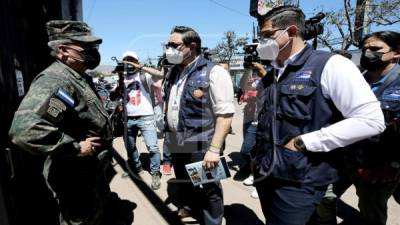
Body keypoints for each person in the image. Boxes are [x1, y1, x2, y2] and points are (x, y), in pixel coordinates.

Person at [251, 6, 385, 225]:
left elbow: (371, 120)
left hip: (300, 180)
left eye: (267, 36)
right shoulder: (272, 73)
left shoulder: (331, 65)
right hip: (267, 173)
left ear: (292, 32)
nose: (261, 43)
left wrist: (304, 142)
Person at [8, 20, 134, 225]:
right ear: (62, 50)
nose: (92, 52)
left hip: (91, 174)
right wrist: (75, 147)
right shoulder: (56, 80)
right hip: (75, 178)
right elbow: (24, 130)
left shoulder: (77, 76)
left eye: (94, 47)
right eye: (85, 47)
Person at [311, 31, 400, 225]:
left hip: (380, 165)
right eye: (365, 49)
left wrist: (393, 164)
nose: (368, 53)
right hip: (344, 157)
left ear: (396, 53)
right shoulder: (354, 78)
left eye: (375, 49)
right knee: (324, 199)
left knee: (371, 213)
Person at [163, 26, 234, 225]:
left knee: (209, 186)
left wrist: (214, 149)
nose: (169, 49)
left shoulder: (214, 72)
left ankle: (212, 220)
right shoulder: (173, 72)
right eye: (167, 44)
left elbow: (225, 114)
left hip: (202, 143)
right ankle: (189, 206)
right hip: (177, 139)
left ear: (192, 46)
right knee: (185, 181)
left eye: (174, 45)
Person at [120, 51, 162, 190]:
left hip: (146, 117)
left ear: (137, 61)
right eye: (126, 60)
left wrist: (140, 66)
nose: (128, 62)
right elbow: (116, 95)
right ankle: (137, 167)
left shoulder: (145, 75)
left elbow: (159, 74)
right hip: (128, 118)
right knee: (130, 147)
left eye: (131, 60)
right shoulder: (122, 77)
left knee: (152, 147)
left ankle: (155, 173)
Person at [237, 62, 268, 199]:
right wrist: (248, 69)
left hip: (262, 119)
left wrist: (263, 73)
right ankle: (251, 172)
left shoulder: (270, 75)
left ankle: (258, 181)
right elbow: (244, 86)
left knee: (253, 150)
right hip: (248, 117)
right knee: (249, 150)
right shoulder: (252, 76)